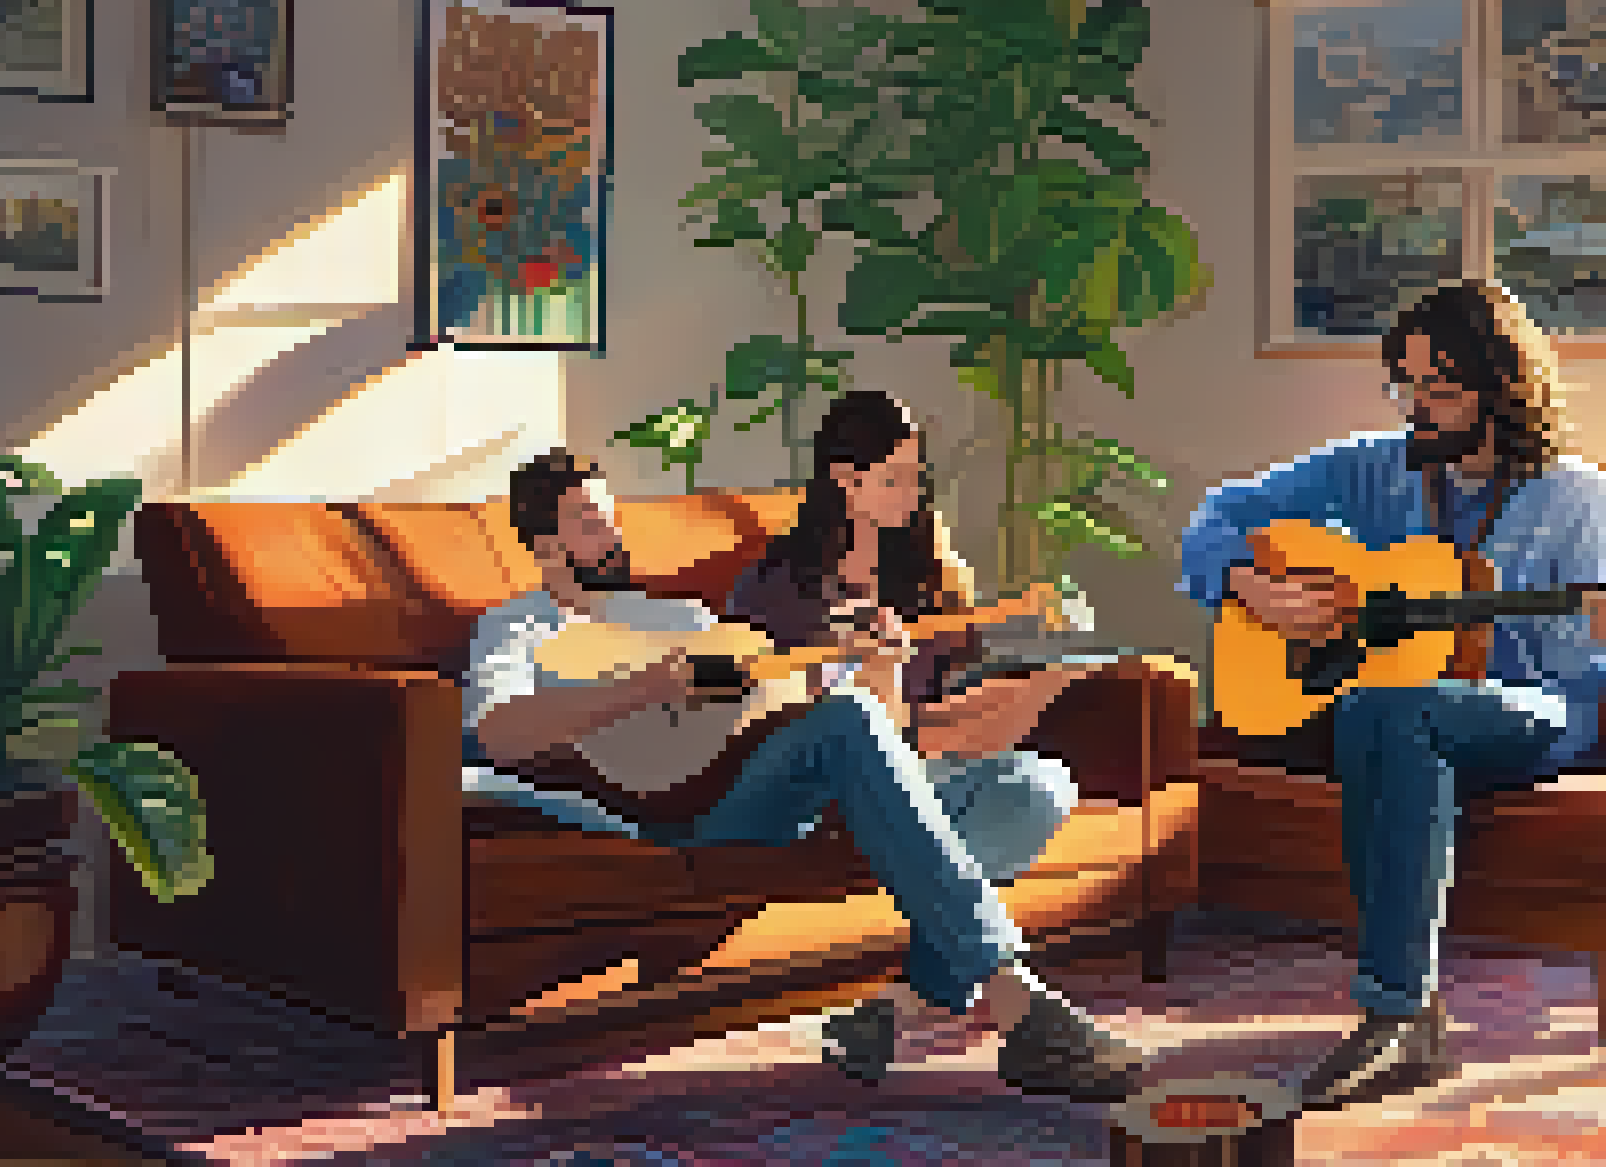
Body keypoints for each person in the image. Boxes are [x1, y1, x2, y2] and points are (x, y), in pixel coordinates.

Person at [459, 414, 1140, 1103]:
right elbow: (503, 737)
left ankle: (895, 1010)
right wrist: (651, 685)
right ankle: (1019, 1005)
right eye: (587, 522)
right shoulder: (516, 627)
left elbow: (802, 701)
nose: (612, 536)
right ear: (544, 543)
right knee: (848, 721)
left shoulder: (684, 619)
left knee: (1034, 782)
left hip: (778, 780)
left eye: (610, 519)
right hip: (688, 808)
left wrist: (878, 673)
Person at [1177, 279, 1606, 1109]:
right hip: (1394, 712)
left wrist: (1601, 620)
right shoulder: (1371, 469)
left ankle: (1395, 1012)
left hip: (1530, 709)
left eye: (1442, 390)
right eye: (1407, 386)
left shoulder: (1577, 495)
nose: (1419, 408)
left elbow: (1581, 659)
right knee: (1382, 706)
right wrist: (1251, 585)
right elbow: (1212, 519)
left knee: (1394, 708)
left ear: (1502, 388)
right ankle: (1406, 1014)